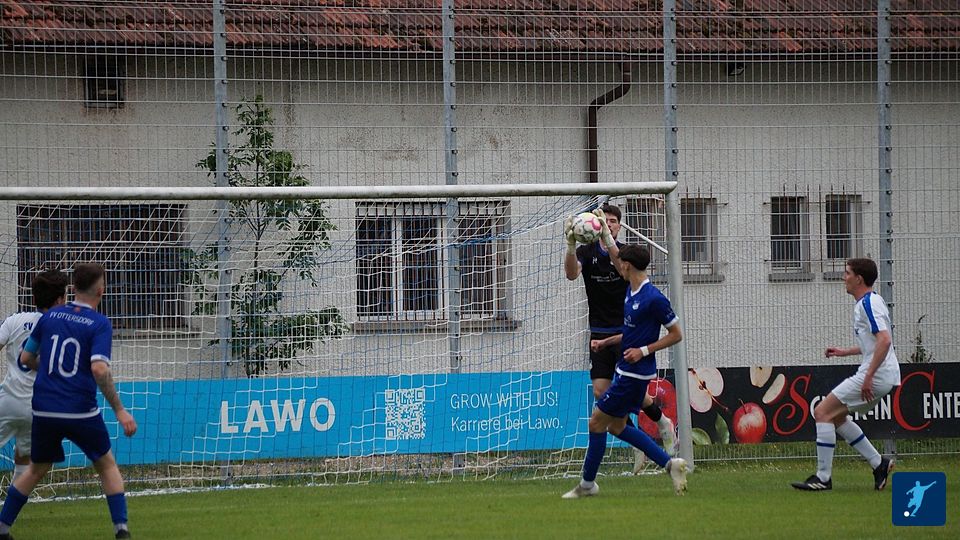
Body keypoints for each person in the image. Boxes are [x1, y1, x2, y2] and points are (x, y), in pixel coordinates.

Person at [0, 264, 138, 540]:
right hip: (79, 409)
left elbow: (25, 358)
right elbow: (99, 369)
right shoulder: (99, 323)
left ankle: (3, 527)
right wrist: (120, 410)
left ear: (73, 289)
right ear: (101, 291)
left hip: (43, 408)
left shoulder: (50, 318)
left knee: (36, 468)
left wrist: (50, 370)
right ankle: (121, 529)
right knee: (106, 464)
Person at [562, 245, 688, 498]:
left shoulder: (653, 298)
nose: (617, 266)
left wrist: (643, 351)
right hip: (626, 370)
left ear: (627, 265)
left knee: (596, 422)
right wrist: (605, 342)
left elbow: (676, 334)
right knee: (617, 427)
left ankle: (587, 484)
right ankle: (670, 464)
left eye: (620, 263)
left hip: (634, 375)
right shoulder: (631, 292)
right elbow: (630, 333)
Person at [791, 258, 899, 492]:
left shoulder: (868, 303)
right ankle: (878, 463)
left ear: (859, 279)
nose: (843, 277)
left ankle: (823, 478)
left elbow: (885, 341)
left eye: (847, 273)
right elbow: (874, 343)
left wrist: (868, 377)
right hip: (882, 374)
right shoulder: (870, 302)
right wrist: (844, 352)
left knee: (822, 412)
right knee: (836, 417)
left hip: (877, 375)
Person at [0, 270, 69, 485]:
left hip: (9, 400)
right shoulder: (63, 329)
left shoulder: (15, 320)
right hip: (38, 407)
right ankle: (14, 501)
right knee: (24, 457)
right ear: (59, 300)